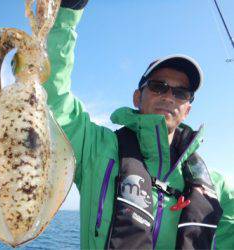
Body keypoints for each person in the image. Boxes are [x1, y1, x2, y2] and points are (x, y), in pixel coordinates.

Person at [43, 1, 234, 249]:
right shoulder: (96, 149)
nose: (168, 97)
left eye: (181, 92)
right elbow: (52, 101)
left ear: (188, 109)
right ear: (137, 97)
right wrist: (67, 12)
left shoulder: (219, 187)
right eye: (158, 86)